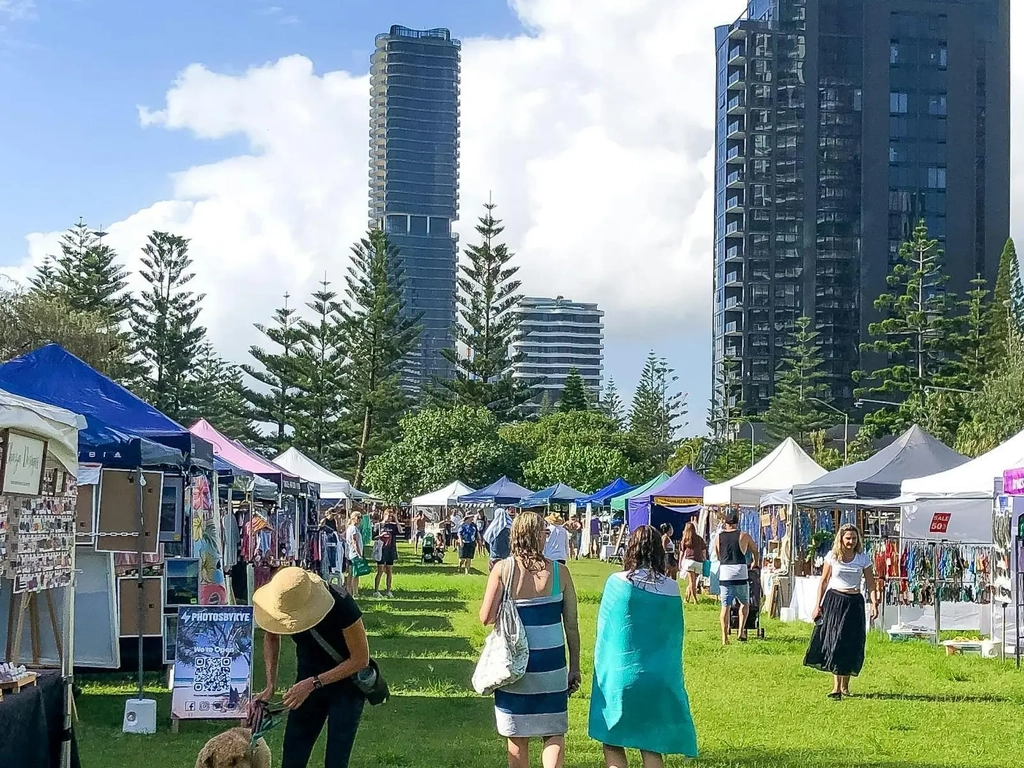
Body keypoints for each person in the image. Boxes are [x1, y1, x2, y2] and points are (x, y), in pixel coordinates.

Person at [589, 526, 698, 767]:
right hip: (658, 677)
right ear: (660, 551)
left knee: (613, 740)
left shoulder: (616, 582)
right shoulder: (671, 587)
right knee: (651, 745)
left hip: (620, 675)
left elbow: (605, 632)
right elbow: (673, 636)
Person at [479, 511, 581, 768]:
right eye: (545, 534)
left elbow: (486, 617)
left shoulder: (503, 570)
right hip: (553, 665)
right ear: (538, 537)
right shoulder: (560, 572)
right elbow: (571, 625)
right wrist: (575, 666)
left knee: (517, 736)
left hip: (515, 665)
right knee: (553, 732)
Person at [255, 567, 370, 768]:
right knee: (293, 754)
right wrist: (270, 685)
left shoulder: (342, 604)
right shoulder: (283, 601)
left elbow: (360, 659)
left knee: (336, 760)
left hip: (346, 684)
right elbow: (271, 636)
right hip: (306, 681)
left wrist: (314, 683)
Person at [804, 524, 880, 699]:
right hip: (835, 601)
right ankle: (836, 687)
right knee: (835, 641)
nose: (851, 542)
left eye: (854, 538)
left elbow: (870, 583)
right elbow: (823, 581)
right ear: (841, 539)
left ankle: (845, 686)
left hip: (854, 604)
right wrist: (818, 605)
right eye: (848, 538)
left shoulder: (863, 559)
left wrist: (874, 603)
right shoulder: (832, 557)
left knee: (850, 643)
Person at [714, 509, 758, 644]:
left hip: (725, 572)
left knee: (725, 606)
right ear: (737, 523)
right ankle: (741, 631)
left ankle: (724, 638)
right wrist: (755, 562)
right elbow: (755, 550)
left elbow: (718, 556)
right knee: (744, 603)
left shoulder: (718, 537)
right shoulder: (744, 535)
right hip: (740, 571)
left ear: (725, 523)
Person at [373, 510, 401, 599]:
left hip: (391, 550)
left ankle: (388, 590)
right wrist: (381, 535)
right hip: (382, 550)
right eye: (388, 516)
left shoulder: (393, 526)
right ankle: (376, 591)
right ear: (384, 515)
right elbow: (373, 537)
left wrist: (396, 520)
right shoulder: (379, 525)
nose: (390, 518)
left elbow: (400, 531)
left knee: (389, 571)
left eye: (391, 516)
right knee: (380, 570)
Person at [678, 522, 707, 604]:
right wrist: (705, 560)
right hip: (698, 562)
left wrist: (680, 563)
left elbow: (681, 553)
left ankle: (695, 600)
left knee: (691, 582)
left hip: (689, 562)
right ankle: (686, 599)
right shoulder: (699, 539)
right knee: (693, 582)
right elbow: (704, 551)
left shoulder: (685, 539)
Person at [344, 512, 364, 598]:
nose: (359, 519)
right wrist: (359, 554)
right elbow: (354, 541)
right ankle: (352, 592)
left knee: (354, 574)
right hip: (354, 554)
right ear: (353, 518)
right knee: (354, 574)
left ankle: (354, 592)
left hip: (352, 554)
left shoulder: (353, 528)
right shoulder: (353, 529)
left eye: (360, 518)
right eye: (358, 517)